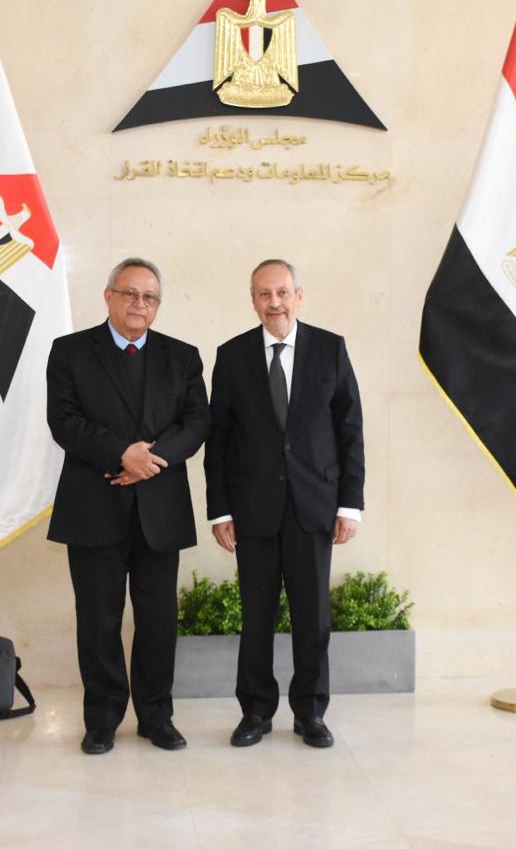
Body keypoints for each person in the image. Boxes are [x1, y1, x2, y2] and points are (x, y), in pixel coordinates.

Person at [46, 257, 208, 755]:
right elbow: (63, 421)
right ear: (109, 295)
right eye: (130, 293)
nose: (140, 303)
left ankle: (157, 717)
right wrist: (122, 454)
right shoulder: (70, 351)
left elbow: (196, 422)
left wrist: (147, 462)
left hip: (161, 511)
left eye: (150, 296)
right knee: (98, 620)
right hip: (93, 506)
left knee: (159, 622)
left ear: (158, 304)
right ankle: (102, 720)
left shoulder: (183, 356)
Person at [205, 258, 364, 749]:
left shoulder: (330, 349)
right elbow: (218, 440)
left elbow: (350, 430)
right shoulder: (232, 356)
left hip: (314, 506)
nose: (274, 302)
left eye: (282, 293)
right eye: (263, 294)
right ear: (253, 300)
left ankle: (310, 712)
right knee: (256, 618)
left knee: (313, 618)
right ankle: (255, 711)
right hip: (253, 510)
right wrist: (220, 510)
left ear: (298, 296)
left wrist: (350, 505)